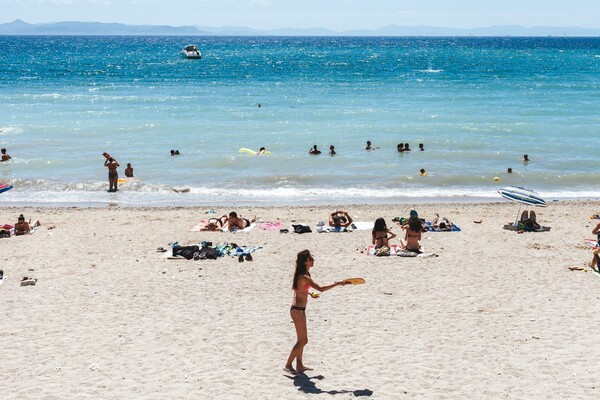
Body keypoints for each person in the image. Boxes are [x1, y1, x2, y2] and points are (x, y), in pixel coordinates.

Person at [284, 250, 347, 375]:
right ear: (305, 262)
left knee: (302, 339)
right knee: (302, 341)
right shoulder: (304, 276)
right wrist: (337, 284)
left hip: (299, 310)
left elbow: (299, 289)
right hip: (297, 311)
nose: (313, 260)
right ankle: (288, 365)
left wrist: (310, 293)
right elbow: (321, 289)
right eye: (310, 258)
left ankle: (300, 365)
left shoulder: (304, 274)